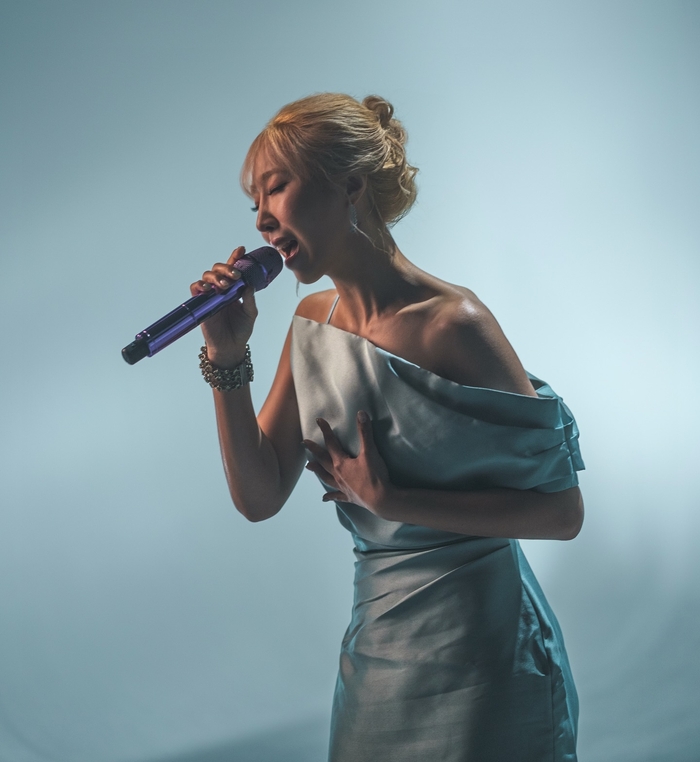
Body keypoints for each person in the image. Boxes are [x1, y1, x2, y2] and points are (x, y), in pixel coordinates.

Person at [191, 93, 585, 762]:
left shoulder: (456, 323)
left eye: (276, 187)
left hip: (487, 657)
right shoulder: (311, 321)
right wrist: (226, 360)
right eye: (253, 201)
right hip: (377, 657)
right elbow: (259, 497)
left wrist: (395, 501)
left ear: (350, 185)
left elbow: (562, 513)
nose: (260, 218)